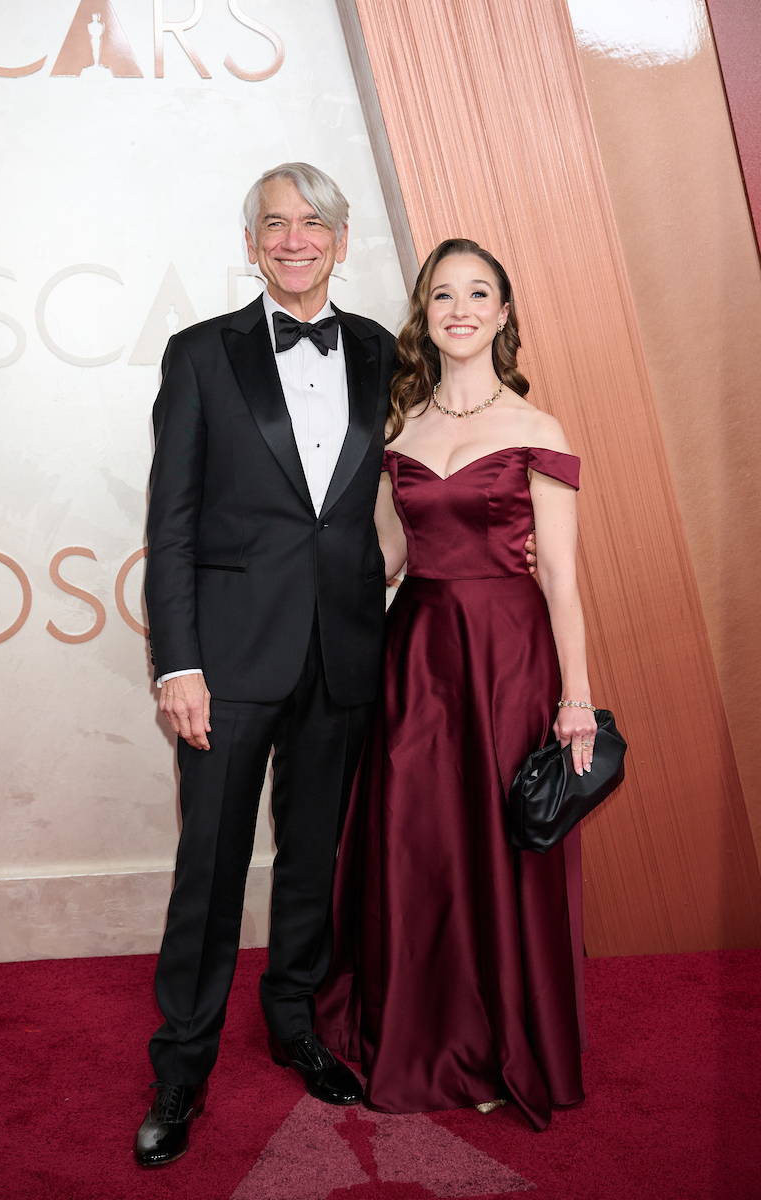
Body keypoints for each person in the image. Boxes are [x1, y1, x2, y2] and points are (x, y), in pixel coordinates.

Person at [135, 163, 400, 1167]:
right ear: (251, 245)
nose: (295, 239)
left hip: (342, 649)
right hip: (229, 660)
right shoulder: (201, 353)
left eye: (313, 223)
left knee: (313, 859)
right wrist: (179, 664)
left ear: (341, 240)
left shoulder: (380, 350)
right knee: (208, 869)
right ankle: (182, 1064)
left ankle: (295, 1020)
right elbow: (171, 523)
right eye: (275, 225)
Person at [316, 238, 597, 1132]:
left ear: (504, 314)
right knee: (425, 846)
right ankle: (433, 1037)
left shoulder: (539, 429)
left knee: (497, 848)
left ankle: (498, 1044)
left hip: (510, 657)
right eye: (444, 295)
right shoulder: (400, 431)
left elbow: (561, 576)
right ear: (424, 314)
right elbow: (387, 559)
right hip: (420, 657)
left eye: (480, 294)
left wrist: (576, 697)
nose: (461, 309)